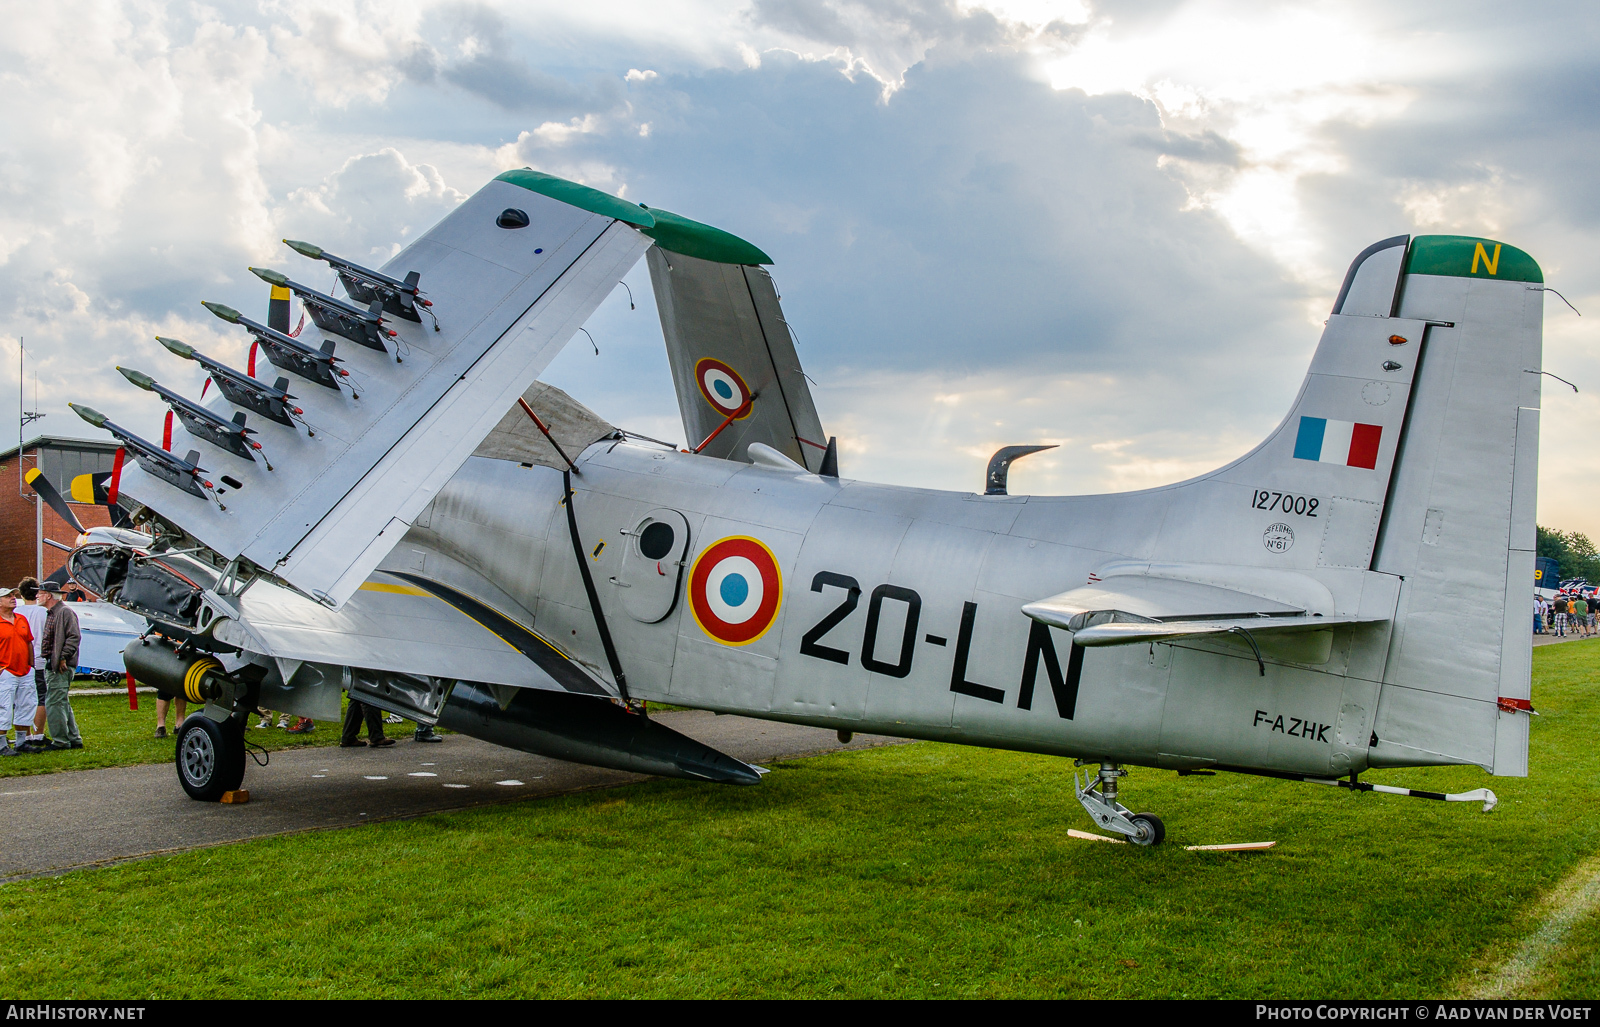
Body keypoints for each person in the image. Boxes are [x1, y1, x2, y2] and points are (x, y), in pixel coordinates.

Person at [36, 583, 81, 750]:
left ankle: (60, 741)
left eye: (40, 594)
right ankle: (73, 738)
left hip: (61, 666)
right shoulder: (55, 612)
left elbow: (74, 638)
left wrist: (62, 657)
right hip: (55, 664)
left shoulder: (64, 612)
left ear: (48, 596)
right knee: (61, 701)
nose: (37, 597)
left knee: (53, 702)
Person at [13, 578, 48, 753]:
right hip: (40, 659)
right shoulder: (43, 612)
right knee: (42, 697)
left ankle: (24, 734)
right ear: (37, 593)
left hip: (21, 660)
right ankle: (38, 734)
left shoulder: (16, 612)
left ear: (21, 594)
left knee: (22, 699)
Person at [0, 589, 36, 756]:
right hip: (6, 670)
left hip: (25, 670)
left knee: (27, 704)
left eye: (13, 596)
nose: (13, 599)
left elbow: (28, 642)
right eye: (8, 596)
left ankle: (21, 742)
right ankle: (1, 745)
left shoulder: (21, 619)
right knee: (4, 707)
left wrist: (31, 665)